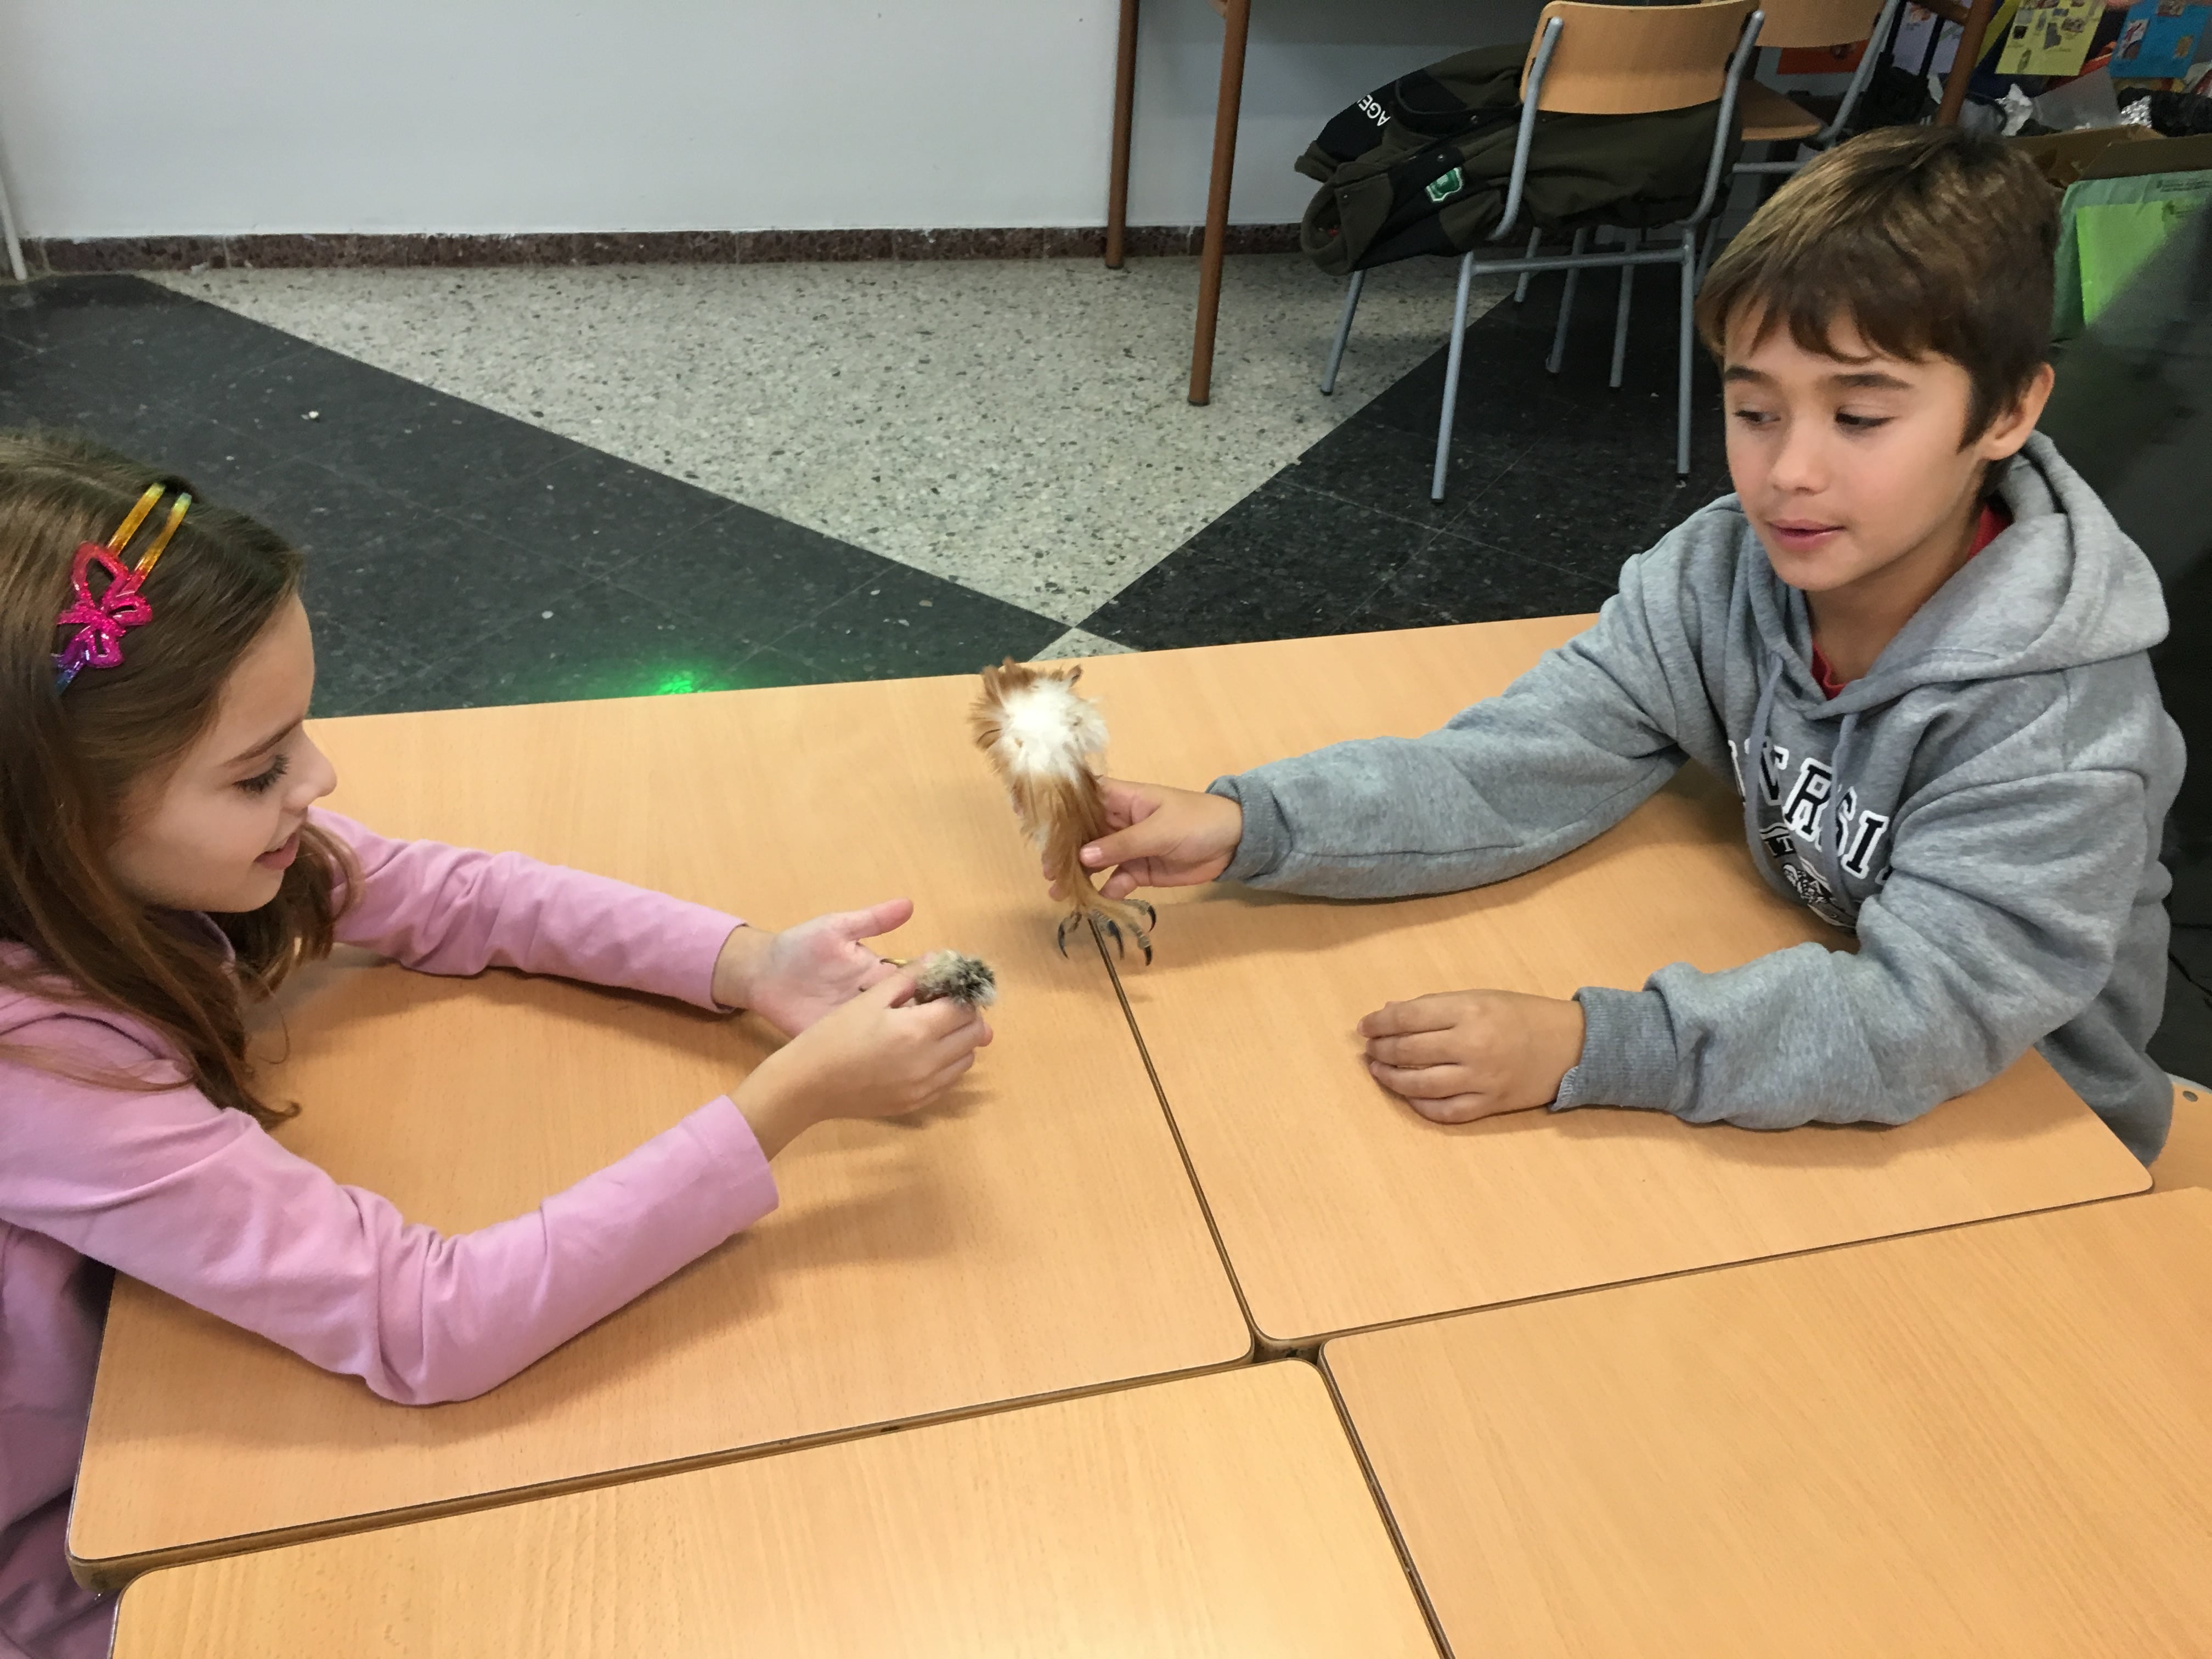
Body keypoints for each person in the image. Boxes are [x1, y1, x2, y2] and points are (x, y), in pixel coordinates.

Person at [0, 432, 993, 1659]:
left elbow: (448, 893)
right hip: (61, 1558)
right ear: (60, 817)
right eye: (258, 773)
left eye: (300, 733)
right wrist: (786, 1104)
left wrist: (749, 964)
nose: (320, 777)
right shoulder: (40, 1078)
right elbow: (432, 1324)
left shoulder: (105, 865)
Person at [1062, 127, 2182, 1165]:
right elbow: (1519, 764)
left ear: (2008, 412)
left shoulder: (2055, 726)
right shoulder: (1722, 572)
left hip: (2034, 1123)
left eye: (1860, 417)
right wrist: (1257, 823)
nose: (1789, 472)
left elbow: (1924, 1019)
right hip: (1818, 1037)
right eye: (1756, 411)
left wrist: (1596, 1046)